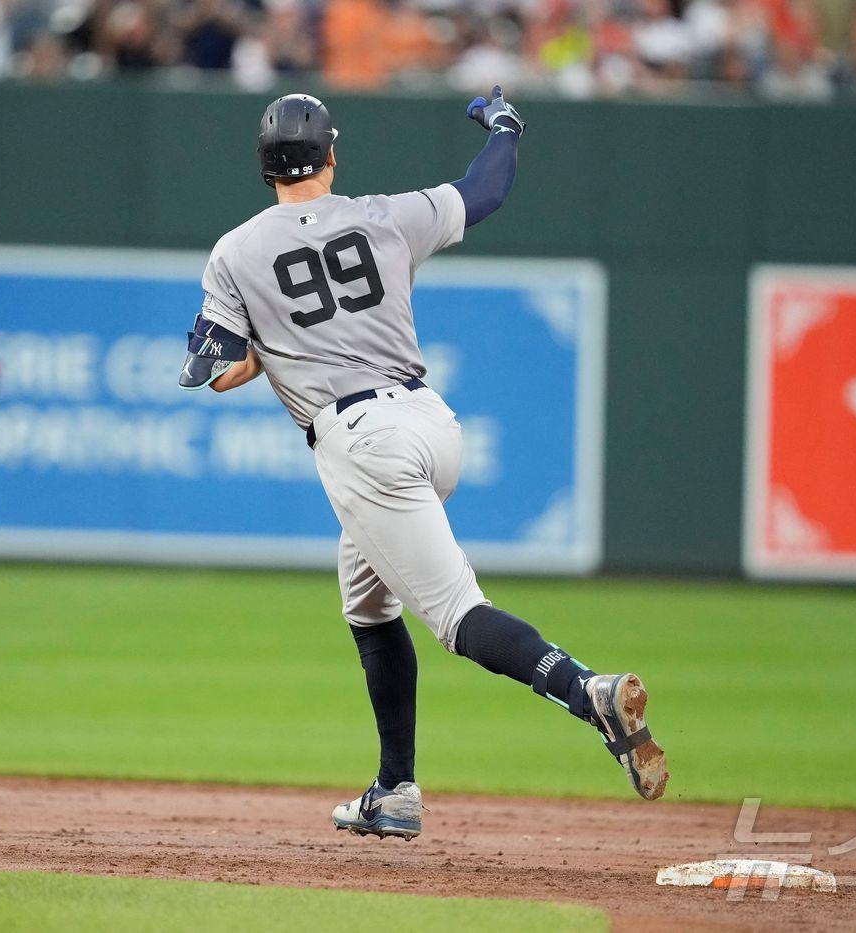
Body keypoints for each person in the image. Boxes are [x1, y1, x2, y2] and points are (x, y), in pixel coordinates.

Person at [178, 91, 668, 840]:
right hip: (431, 424)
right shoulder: (384, 214)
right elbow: (486, 189)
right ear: (331, 155)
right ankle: (396, 787)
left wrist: (268, 346)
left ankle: (587, 690)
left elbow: (213, 370)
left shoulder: (235, 251)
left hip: (360, 443)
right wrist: (505, 127)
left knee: (457, 616)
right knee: (368, 605)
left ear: (264, 167)